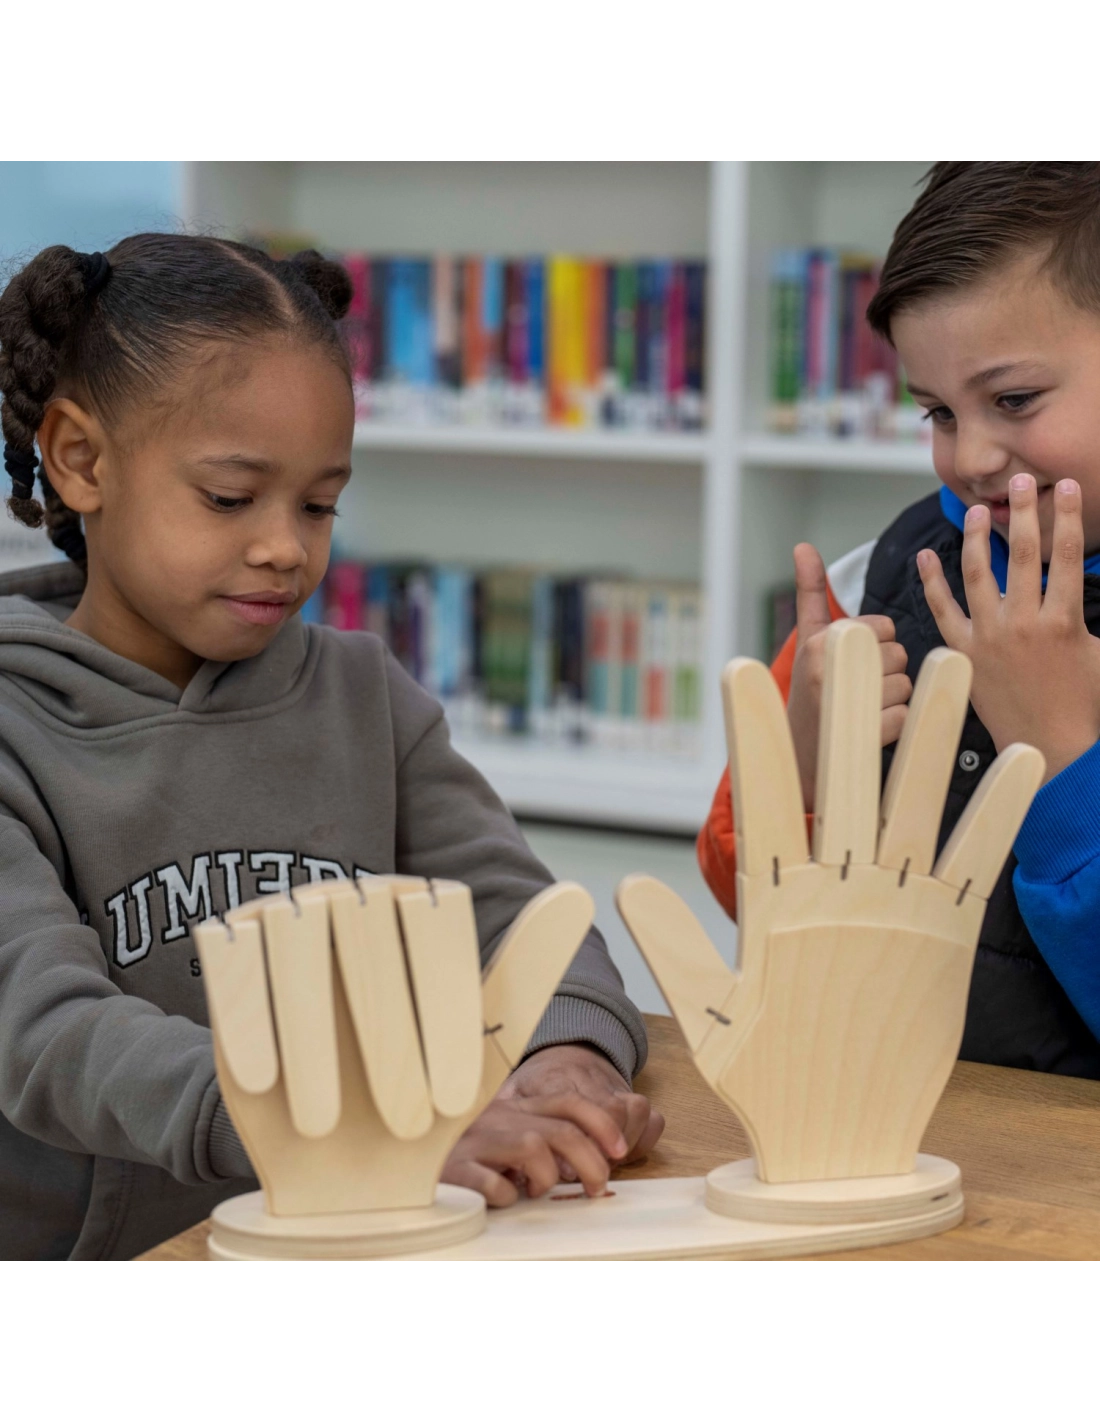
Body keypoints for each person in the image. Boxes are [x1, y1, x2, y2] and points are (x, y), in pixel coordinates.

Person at [0, 235, 662, 1263]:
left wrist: (567, 1055)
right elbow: (48, 1030)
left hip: (363, 1246)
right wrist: (348, 1133)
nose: (286, 547)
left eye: (318, 505)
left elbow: (522, 918)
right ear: (81, 460)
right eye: (230, 497)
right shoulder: (16, 726)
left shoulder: (364, 695)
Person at [699, 161, 1100, 1080]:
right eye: (938, 412)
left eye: (1013, 400)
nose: (972, 456)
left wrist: (1063, 756)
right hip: (887, 1120)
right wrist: (801, 763)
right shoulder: (879, 580)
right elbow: (745, 901)